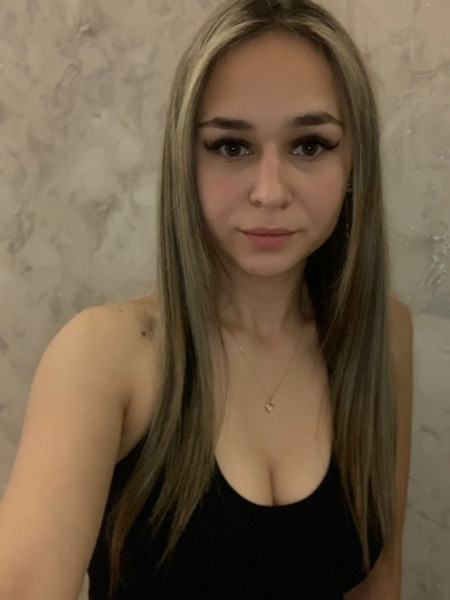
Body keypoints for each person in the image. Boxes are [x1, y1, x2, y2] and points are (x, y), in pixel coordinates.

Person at [0, 0, 413, 598]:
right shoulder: (104, 356)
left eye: (309, 145)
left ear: (355, 164)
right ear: (184, 162)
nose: (269, 192)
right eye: (230, 147)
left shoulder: (381, 334)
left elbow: (380, 583)